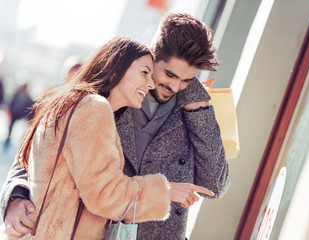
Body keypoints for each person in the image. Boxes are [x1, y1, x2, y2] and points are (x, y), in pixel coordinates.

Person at [0, 13, 230, 240]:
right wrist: (15, 196)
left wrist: (201, 114)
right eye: (169, 74)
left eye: (187, 81)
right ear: (152, 55)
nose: (175, 86)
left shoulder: (197, 111)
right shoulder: (107, 98)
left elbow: (216, 186)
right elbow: (38, 154)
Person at [3, 83, 35, 150]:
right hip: (14, 113)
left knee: (24, 128)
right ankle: (7, 140)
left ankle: (22, 141)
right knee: (10, 127)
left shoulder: (27, 97)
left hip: (20, 115)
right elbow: (11, 102)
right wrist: (9, 110)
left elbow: (29, 106)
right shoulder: (16, 93)